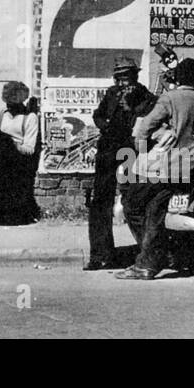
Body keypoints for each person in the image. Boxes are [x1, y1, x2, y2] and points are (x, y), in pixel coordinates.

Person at [116, 57, 194, 280]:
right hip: (191, 166)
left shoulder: (169, 98)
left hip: (165, 167)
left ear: (177, 77)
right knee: (154, 212)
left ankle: (150, 259)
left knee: (132, 205)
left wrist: (142, 148)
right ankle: (152, 259)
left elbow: (145, 126)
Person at [84, 57, 156, 270]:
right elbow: (98, 115)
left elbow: (146, 119)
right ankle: (100, 255)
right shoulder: (111, 93)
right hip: (108, 148)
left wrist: (131, 107)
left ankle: (147, 253)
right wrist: (104, 123)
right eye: (120, 78)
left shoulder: (145, 96)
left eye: (127, 77)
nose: (123, 82)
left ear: (135, 76)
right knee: (100, 202)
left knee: (134, 200)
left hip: (130, 150)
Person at [0, 81, 41, 225]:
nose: (8, 106)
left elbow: (29, 148)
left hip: (17, 161)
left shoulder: (30, 118)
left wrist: (12, 144)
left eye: (12, 103)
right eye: (7, 102)